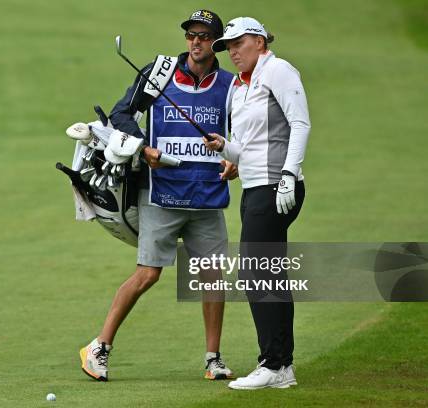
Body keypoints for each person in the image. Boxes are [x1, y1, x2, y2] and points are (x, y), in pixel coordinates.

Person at [79, 9, 237, 382]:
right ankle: (98, 347)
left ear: (216, 44)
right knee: (148, 273)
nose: (195, 42)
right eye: (190, 35)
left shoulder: (231, 85)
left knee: (213, 277)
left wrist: (235, 159)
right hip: (161, 194)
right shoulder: (159, 72)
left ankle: (213, 359)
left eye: (203, 36)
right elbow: (121, 113)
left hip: (207, 196)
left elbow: (241, 132)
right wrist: (143, 146)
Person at [204, 17, 311, 389]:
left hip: (276, 187)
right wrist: (226, 148)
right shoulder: (238, 86)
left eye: (238, 43)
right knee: (268, 272)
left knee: (256, 272)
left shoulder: (278, 71)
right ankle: (281, 367)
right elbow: (247, 147)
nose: (232, 51)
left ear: (260, 41)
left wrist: (287, 176)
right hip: (253, 188)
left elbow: (300, 124)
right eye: (228, 46)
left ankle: (275, 365)